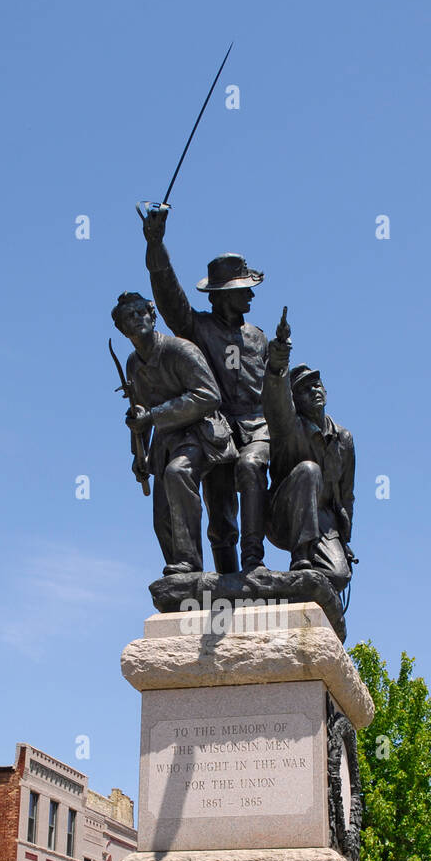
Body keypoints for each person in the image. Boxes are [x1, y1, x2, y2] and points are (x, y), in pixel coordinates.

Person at [141, 207, 270, 573]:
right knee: (221, 513)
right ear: (220, 296)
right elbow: (168, 295)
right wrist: (156, 245)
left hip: (258, 428)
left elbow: (276, 390)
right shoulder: (196, 328)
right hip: (215, 431)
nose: (250, 297)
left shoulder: (258, 337)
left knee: (251, 468)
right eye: (243, 291)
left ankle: (254, 563)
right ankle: (229, 582)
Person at [111, 291, 236, 576]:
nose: (137, 319)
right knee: (162, 516)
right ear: (122, 328)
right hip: (165, 444)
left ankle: (189, 562)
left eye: (141, 312)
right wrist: (138, 453)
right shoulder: (133, 364)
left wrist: (154, 415)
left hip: (202, 435)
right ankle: (182, 578)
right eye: (128, 317)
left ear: (152, 315)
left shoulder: (180, 350)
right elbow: (139, 409)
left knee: (179, 475)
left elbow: (209, 395)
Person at [262, 310, 355, 591]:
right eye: (304, 389)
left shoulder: (344, 439)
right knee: (308, 469)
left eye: (318, 384)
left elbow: (347, 494)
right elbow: (276, 397)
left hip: (324, 521)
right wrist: (278, 359)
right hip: (283, 514)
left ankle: (305, 587)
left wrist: (345, 541)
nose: (314, 390)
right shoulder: (288, 426)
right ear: (295, 400)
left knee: (338, 577)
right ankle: (300, 558)